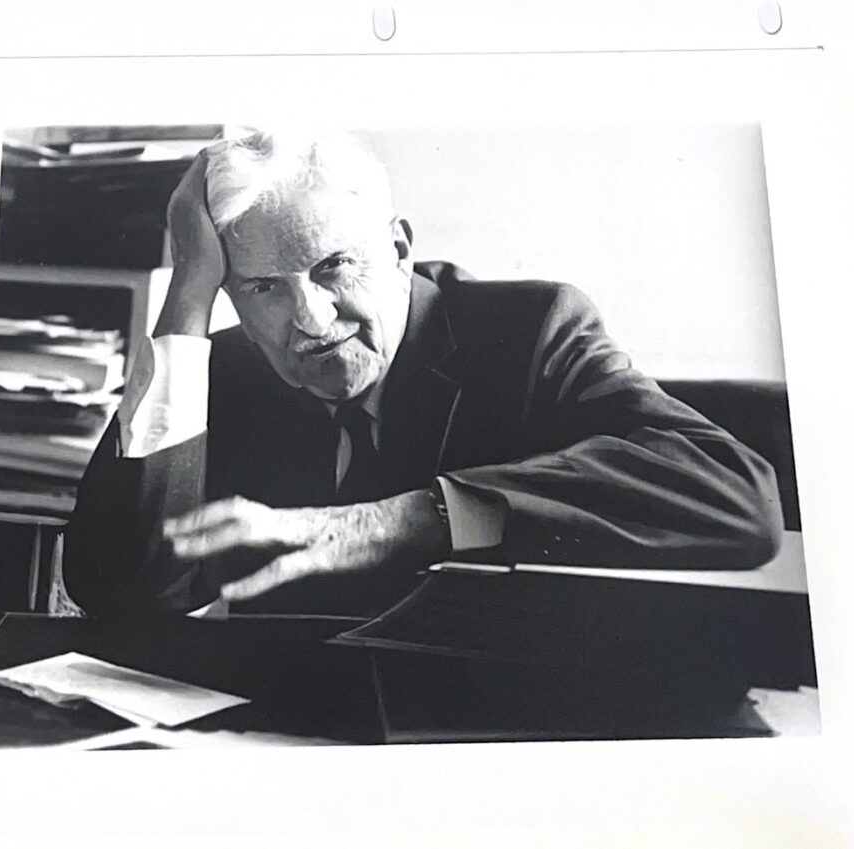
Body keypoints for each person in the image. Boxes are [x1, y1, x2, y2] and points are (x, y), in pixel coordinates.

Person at [63, 129, 783, 618]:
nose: (309, 319)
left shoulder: (530, 333)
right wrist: (187, 294)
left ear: (400, 247)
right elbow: (116, 587)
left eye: (334, 265)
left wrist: (415, 519)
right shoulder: (228, 374)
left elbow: (738, 497)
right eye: (262, 287)